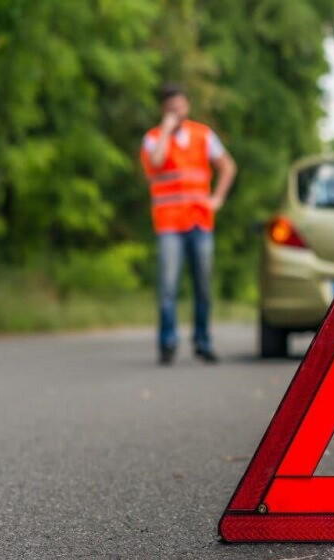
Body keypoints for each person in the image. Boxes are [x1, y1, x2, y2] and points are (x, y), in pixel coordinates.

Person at [140, 84, 236, 365]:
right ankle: (167, 344)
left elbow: (227, 166)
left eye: (180, 106)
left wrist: (217, 198)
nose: (177, 111)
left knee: (203, 286)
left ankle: (203, 342)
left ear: (187, 106)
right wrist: (167, 132)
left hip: (199, 220)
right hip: (169, 224)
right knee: (168, 287)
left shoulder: (203, 135)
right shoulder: (154, 138)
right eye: (171, 108)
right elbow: (155, 164)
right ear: (164, 110)